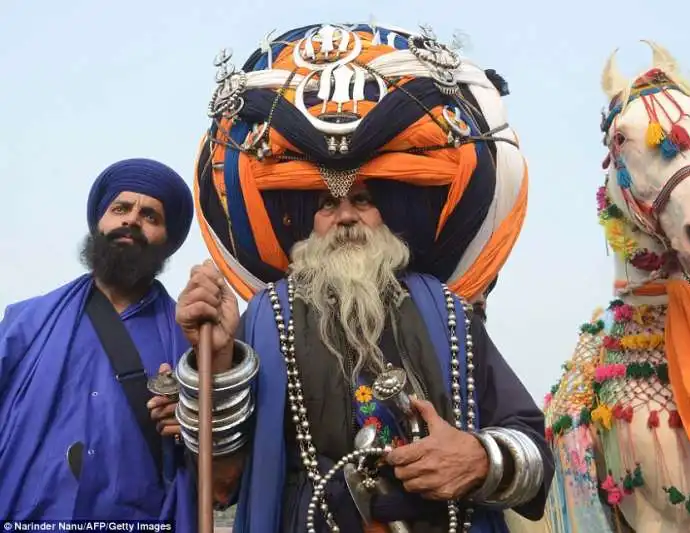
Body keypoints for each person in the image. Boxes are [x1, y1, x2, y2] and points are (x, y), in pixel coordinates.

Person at [167, 21, 551, 533]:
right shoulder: (266, 313)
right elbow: (222, 480)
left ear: (388, 218)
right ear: (309, 225)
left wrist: (479, 459)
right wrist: (214, 360)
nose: (345, 217)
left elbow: (532, 445)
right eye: (327, 204)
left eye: (363, 200)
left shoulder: (448, 311)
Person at [0, 158, 197, 529]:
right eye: (120, 208)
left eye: (150, 216)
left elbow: (220, 474)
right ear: (99, 223)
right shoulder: (25, 324)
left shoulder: (187, 341)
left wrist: (192, 424)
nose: (131, 220)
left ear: (167, 243)